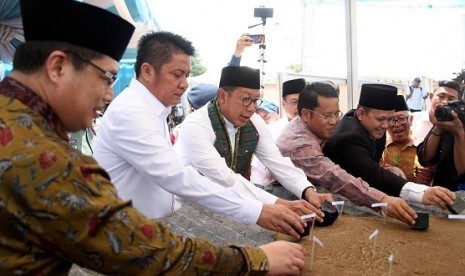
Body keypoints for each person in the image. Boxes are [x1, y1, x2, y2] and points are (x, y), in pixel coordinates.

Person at [0, 1, 306, 274]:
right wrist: (256, 260)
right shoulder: (44, 153)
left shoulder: (20, 122)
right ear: (57, 67)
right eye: (106, 77)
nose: (108, 95)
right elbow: (136, 242)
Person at [93, 31, 314, 240]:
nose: (184, 84)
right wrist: (261, 211)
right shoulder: (132, 112)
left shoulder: (153, 109)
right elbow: (178, 177)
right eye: (177, 74)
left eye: (187, 75)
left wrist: (303, 191)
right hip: (131, 230)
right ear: (148, 71)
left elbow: (276, 162)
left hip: (168, 217)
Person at [175, 66, 333, 223]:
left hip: (234, 203)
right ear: (222, 96)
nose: (251, 108)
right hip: (189, 209)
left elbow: (276, 161)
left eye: (255, 100)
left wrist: (307, 190)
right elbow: (224, 179)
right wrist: (282, 205)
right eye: (245, 99)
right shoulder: (196, 126)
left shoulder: (254, 122)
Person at [277, 82, 417, 225]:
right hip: (284, 202)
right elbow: (334, 176)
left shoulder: (316, 126)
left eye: (336, 114)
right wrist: (381, 200)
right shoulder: (298, 144)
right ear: (306, 114)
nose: (334, 121)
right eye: (327, 116)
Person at [323, 83, 456, 210]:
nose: (387, 125)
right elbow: (371, 173)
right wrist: (421, 193)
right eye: (381, 119)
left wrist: (389, 169)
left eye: (390, 119)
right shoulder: (348, 137)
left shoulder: (371, 125)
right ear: (361, 113)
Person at [417, 80, 465, 191]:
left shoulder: (457, 126)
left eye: (451, 99)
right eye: (441, 96)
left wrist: (458, 133)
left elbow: (462, 173)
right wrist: (439, 128)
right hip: (440, 195)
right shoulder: (448, 123)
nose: (444, 102)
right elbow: (425, 158)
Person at [382, 95, 419, 182]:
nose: (397, 124)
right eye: (391, 120)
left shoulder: (423, 148)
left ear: (411, 120)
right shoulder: (380, 149)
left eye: (402, 118)